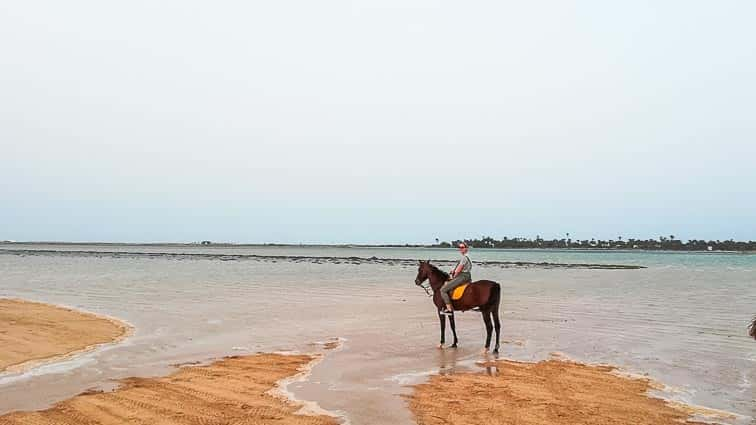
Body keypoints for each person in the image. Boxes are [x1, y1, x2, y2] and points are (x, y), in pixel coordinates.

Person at [440, 242, 472, 315]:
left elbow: (459, 270)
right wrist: (453, 271)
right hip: (467, 275)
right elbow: (462, 268)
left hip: (462, 276)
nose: (461, 249)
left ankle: (449, 309)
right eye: (460, 247)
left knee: (443, 290)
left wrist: (454, 275)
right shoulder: (468, 256)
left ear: (466, 248)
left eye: (462, 247)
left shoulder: (464, 258)